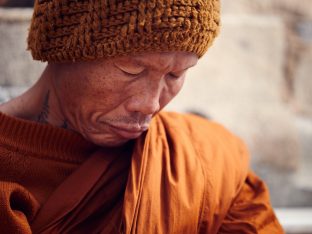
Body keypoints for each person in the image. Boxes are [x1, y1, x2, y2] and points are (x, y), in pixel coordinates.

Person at [0, 0, 284, 233]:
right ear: (61, 49)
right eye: (131, 72)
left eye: (175, 74)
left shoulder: (205, 164)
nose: (150, 105)